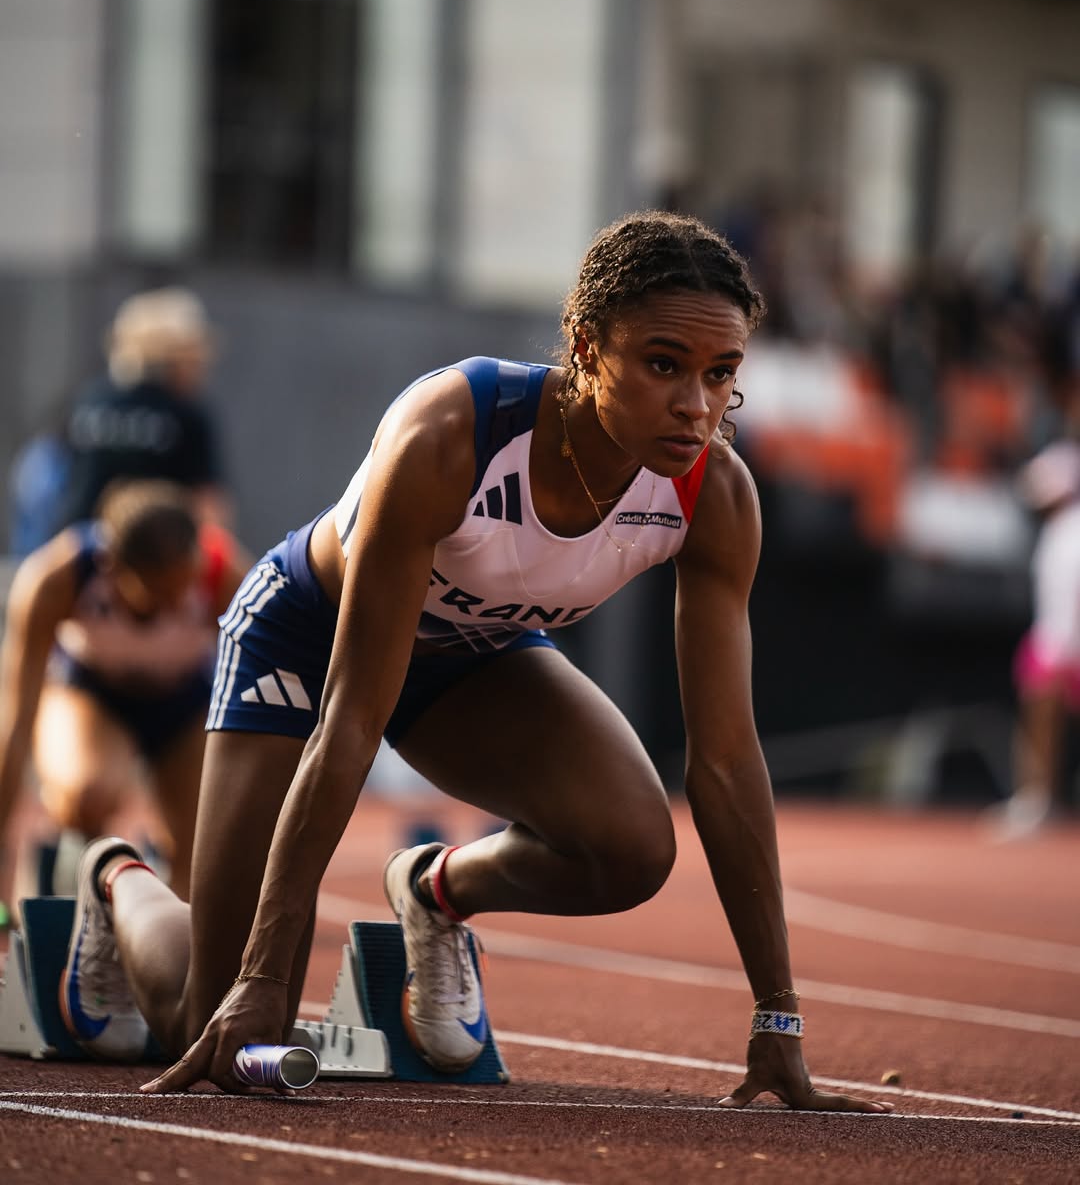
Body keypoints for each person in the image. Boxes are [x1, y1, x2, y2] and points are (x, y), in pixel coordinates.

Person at [59, 211, 889, 1111]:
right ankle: (119, 876)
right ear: (584, 344)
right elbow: (350, 721)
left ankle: (434, 889)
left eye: (721, 374)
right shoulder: (450, 432)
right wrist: (264, 975)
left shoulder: (714, 493)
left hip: (474, 653)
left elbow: (726, 762)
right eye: (663, 365)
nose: (697, 405)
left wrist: (777, 1018)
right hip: (307, 638)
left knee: (633, 848)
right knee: (207, 1023)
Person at [0, 480, 250, 914]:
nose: (176, 602)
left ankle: (164, 911)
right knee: (85, 795)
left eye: (182, 585)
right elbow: (18, 718)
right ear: (112, 567)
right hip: (94, 696)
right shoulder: (56, 578)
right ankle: (64, 863)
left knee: (208, 827)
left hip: (185, 700)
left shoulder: (223, 576)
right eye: (158, 594)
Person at [57, 287, 232, 531]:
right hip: (157, 555)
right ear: (175, 357)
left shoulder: (90, 400)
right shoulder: (185, 413)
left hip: (82, 547)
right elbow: (208, 507)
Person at [989, 440, 1080, 840]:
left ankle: (1037, 800)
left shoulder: (1070, 533)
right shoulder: (1057, 531)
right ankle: (1036, 800)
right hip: (1053, 646)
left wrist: (1060, 652)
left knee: (1042, 729)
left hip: (1061, 649)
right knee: (1039, 729)